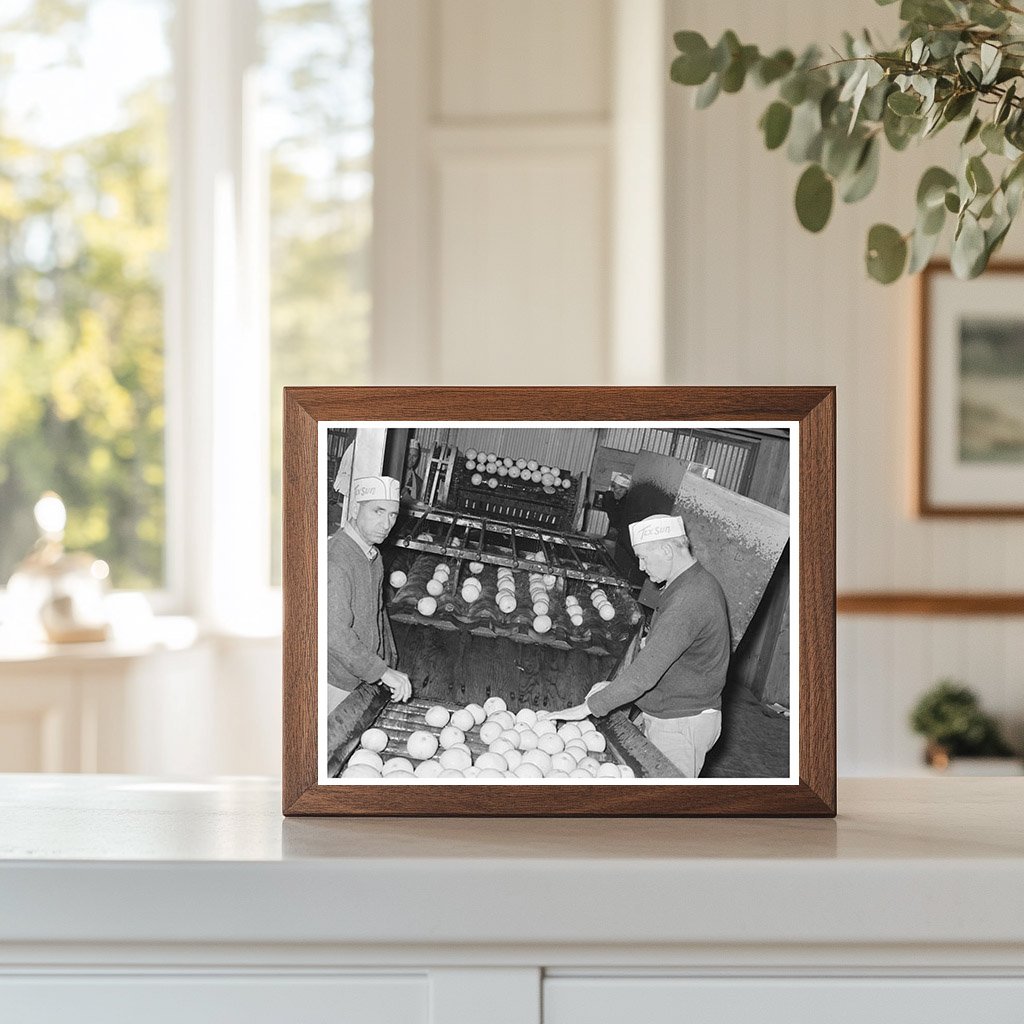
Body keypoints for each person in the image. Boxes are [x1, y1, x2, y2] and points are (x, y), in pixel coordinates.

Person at [543, 513, 730, 778]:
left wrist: (589, 707)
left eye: (643, 557)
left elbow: (645, 674)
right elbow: (667, 657)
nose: (641, 567)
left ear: (666, 550)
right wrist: (616, 689)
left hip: (680, 724)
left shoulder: (689, 598)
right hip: (675, 713)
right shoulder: (693, 581)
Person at [327, 475, 412, 713]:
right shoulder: (336, 560)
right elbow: (332, 633)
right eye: (378, 511)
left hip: (358, 675)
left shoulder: (372, 556)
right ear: (355, 508)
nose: (386, 523)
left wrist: (386, 660)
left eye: (392, 515)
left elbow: (376, 614)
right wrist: (381, 671)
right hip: (332, 680)